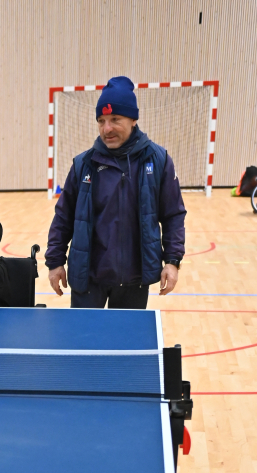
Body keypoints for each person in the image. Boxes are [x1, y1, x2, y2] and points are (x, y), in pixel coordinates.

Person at [45, 76, 186, 309]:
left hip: (135, 279)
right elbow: (63, 216)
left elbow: (173, 215)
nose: (106, 129)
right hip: (88, 278)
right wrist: (55, 261)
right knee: (85, 343)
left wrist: (172, 262)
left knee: (126, 344)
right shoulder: (84, 164)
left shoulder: (158, 160)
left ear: (133, 119)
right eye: (101, 121)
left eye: (115, 119)